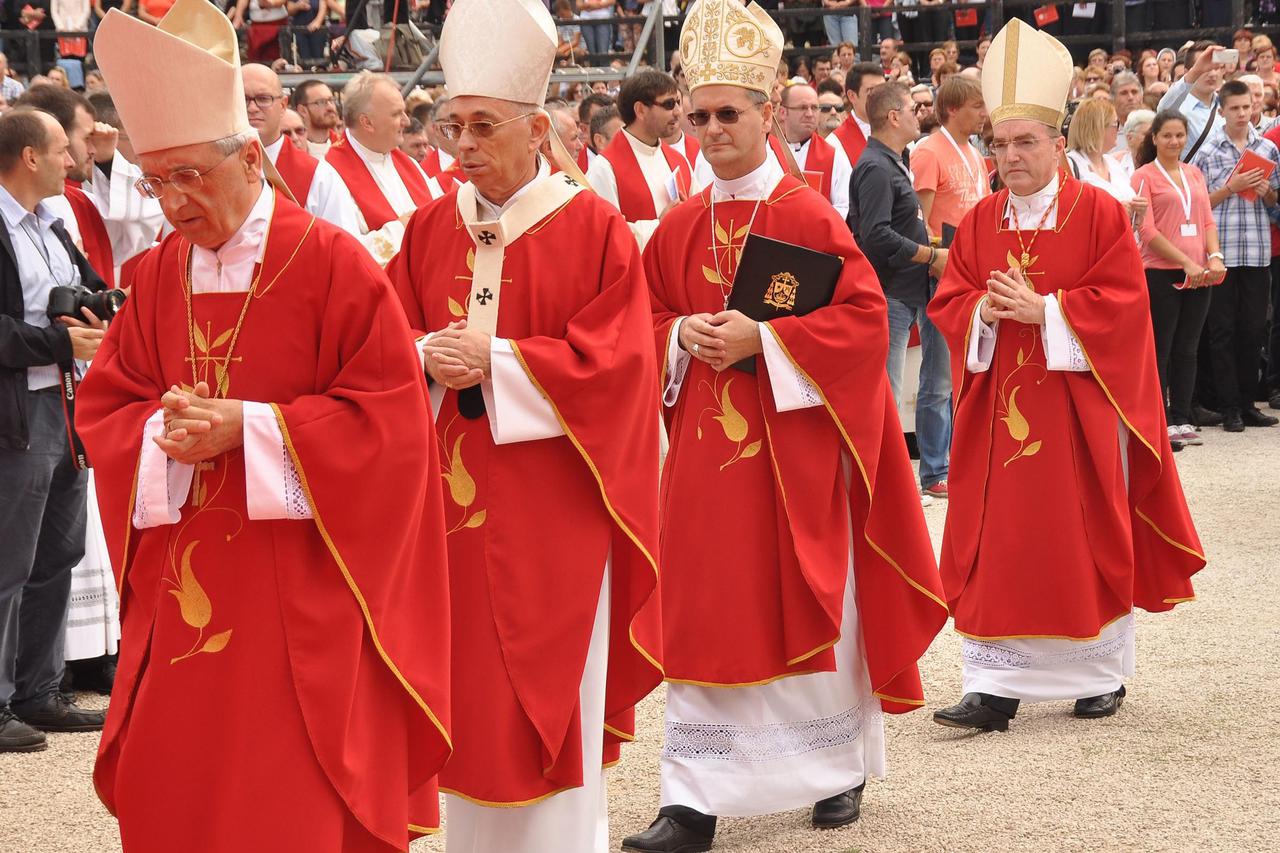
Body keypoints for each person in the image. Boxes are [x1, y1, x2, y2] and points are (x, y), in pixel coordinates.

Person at [85, 0, 452, 847]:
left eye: (189, 176)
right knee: (179, 784)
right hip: (186, 588)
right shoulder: (155, 275)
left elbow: (390, 422)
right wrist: (158, 432)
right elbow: (108, 403)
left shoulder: (330, 262)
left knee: (287, 794)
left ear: (249, 157)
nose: (173, 201)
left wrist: (249, 428)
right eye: (155, 179)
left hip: (301, 591)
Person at [623, 2, 945, 850]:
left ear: (767, 114)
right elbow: (641, 321)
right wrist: (676, 336)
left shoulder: (805, 217)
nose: (713, 129)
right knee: (701, 610)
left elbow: (862, 321)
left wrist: (764, 339)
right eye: (699, 117)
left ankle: (832, 768)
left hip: (791, 459)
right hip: (702, 466)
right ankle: (691, 795)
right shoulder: (680, 226)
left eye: (730, 114)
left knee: (809, 600)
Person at [387, 2, 662, 850]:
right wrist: (423, 357)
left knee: (542, 692)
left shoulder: (594, 228)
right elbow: (378, 348)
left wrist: (499, 362)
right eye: (449, 125)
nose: (462, 145)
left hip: (554, 516)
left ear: (538, 128)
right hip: (448, 515)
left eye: (481, 126)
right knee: (464, 691)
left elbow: (619, 368)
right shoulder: (432, 225)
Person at [928, 18, 1205, 732]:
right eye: (1000, 143)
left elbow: (1123, 305)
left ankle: (1097, 674)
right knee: (1000, 538)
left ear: (1058, 144)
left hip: (1079, 410)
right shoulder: (981, 219)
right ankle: (993, 685)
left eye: (1026, 142)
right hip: (1000, 417)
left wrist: (1045, 310)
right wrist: (986, 316)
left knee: (1083, 532)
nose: (1011, 156)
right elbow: (951, 299)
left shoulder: (1101, 213)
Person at [0, 107, 110, 755]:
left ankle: (39, 689)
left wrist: (105, 304)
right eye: (62, 150)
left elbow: (85, 289)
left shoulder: (53, 221)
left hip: (67, 406)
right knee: (8, 561)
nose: (73, 160)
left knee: (57, 553)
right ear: (30, 157)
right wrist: (63, 345)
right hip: (16, 411)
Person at [850, 80, 953, 501]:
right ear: (894, 117)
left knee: (914, 385)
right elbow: (873, 236)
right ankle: (884, 486)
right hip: (890, 290)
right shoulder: (876, 167)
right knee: (887, 394)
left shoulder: (892, 160)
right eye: (912, 108)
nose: (918, 113)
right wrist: (929, 256)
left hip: (906, 289)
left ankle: (918, 476)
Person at [1190, 78, 1280, 432]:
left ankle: (1247, 402)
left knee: (1253, 329)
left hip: (1257, 252)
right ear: (1222, 110)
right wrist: (1232, 188)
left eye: (1247, 107)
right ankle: (1228, 407)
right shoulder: (1209, 152)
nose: (1243, 114)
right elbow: (1196, 208)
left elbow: (1276, 207)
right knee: (1222, 330)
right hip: (1221, 253)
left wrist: (1267, 195)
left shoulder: (1269, 151)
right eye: (1235, 108)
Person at [1131, 110, 1224, 448]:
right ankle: (1162, 418)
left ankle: (1182, 416)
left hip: (1200, 272)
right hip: (1161, 271)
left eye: (1179, 135)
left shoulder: (1194, 173)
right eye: (1167, 135)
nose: (1174, 142)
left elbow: (1207, 222)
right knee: (1162, 348)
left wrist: (1214, 256)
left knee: (1189, 347)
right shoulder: (1143, 176)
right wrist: (1186, 261)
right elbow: (1147, 229)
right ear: (1154, 138)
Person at [325, 71, 444, 266]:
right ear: (367, 122)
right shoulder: (331, 174)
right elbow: (343, 254)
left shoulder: (407, 163)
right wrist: (402, 229)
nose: (406, 121)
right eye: (397, 114)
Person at [240, 63, 364, 239]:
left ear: (283, 105)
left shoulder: (320, 177)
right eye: (243, 99)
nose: (252, 108)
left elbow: (343, 247)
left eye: (263, 98)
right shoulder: (210, 168)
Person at [586, 69, 689, 248]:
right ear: (640, 110)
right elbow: (604, 236)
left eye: (678, 103)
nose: (678, 112)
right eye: (669, 104)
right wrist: (660, 224)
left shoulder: (678, 160)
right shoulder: (604, 168)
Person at [1066, 99, 1146, 225]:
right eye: (1116, 124)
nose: (1118, 130)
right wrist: (1114, 210)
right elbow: (1069, 212)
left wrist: (1138, 213)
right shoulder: (1071, 164)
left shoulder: (1112, 163)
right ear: (1098, 128)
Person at [777, 81, 850, 217]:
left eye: (814, 107)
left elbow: (844, 206)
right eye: (803, 108)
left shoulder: (834, 155)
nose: (810, 114)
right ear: (783, 112)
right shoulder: (770, 152)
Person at [1158, 42, 1226, 160]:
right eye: (1205, 67)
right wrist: (1195, 72)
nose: (1212, 74)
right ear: (1188, 71)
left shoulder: (1227, 105)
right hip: (1191, 176)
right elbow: (1163, 110)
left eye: (1216, 68)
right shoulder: (1178, 107)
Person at [829, 63, 884, 169]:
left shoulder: (899, 133)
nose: (881, 96)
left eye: (883, 89)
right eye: (871, 90)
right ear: (852, 96)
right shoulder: (835, 144)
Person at [289, 79, 341, 158]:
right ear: (302, 110)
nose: (330, 107)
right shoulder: (291, 150)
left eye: (331, 100)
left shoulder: (344, 146)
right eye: (321, 102)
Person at [1117, 108, 1154, 178]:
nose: (1152, 139)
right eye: (1147, 135)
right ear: (1130, 138)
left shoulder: (1163, 163)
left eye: (1154, 134)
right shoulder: (1115, 164)